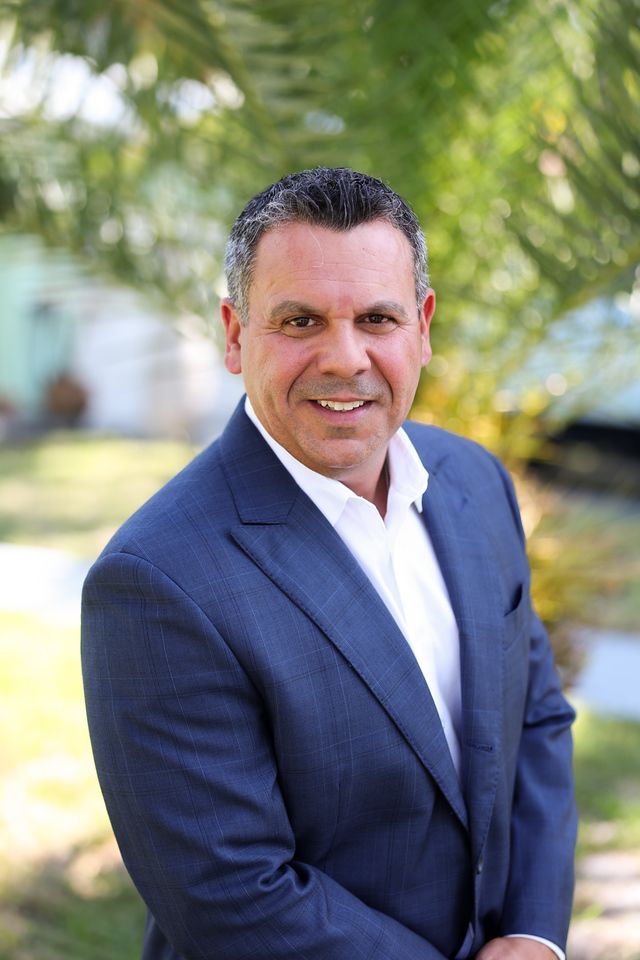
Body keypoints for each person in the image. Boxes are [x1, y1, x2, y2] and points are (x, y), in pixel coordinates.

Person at [81, 167, 577, 960]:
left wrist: (532, 933)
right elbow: (231, 894)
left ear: (422, 326)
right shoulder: (156, 581)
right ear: (236, 335)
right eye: (301, 320)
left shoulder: (476, 484)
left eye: (377, 318)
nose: (345, 358)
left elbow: (537, 722)